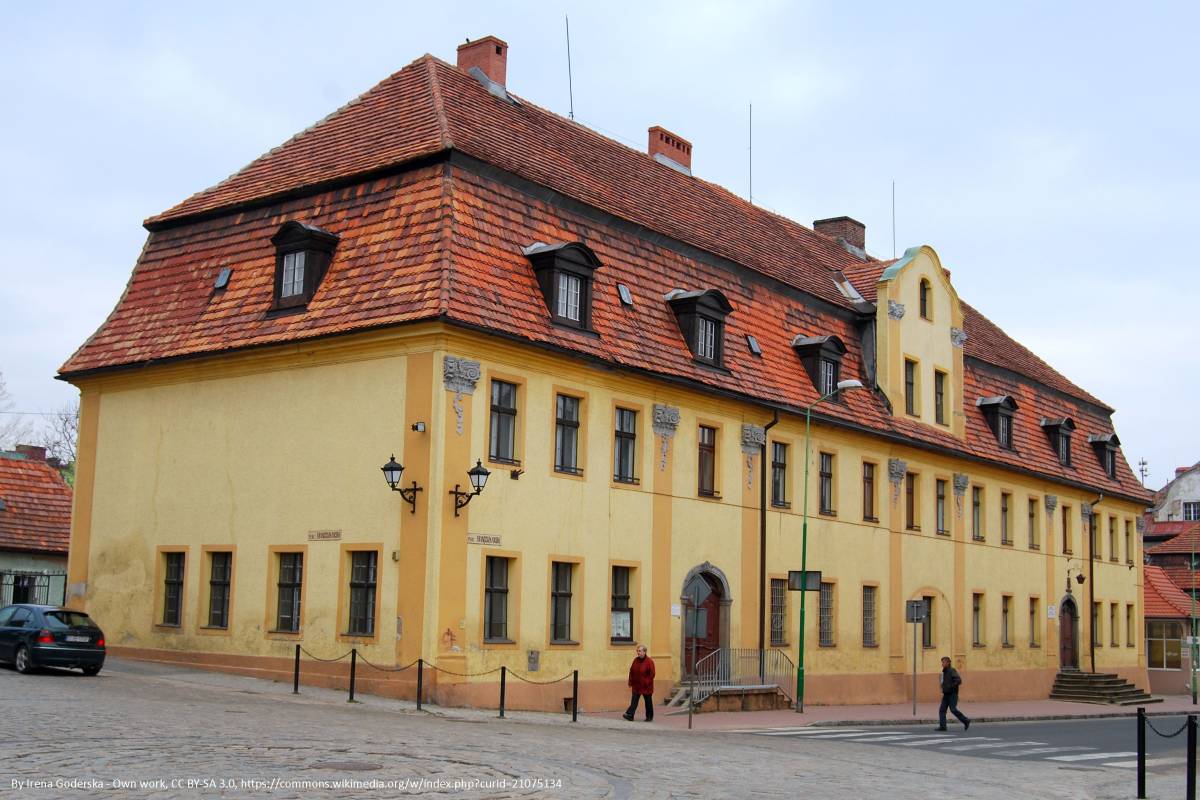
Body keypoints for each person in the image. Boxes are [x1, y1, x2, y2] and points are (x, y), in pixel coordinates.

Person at [936, 655, 970, 732]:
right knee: (942, 710)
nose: (942, 664)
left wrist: (950, 686)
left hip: (952, 694)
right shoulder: (945, 671)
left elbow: (958, 680)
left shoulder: (952, 670)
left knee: (953, 709)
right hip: (946, 694)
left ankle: (966, 720)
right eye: (942, 662)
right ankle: (943, 726)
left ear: (948, 663)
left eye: (943, 662)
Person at [623, 644, 656, 722]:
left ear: (644, 652)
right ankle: (630, 715)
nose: (638, 652)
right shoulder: (635, 660)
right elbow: (631, 671)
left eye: (640, 651)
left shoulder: (649, 662)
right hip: (636, 686)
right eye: (637, 651)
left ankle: (649, 717)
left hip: (646, 686)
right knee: (634, 701)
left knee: (648, 702)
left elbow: (652, 674)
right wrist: (630, 681)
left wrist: (646, 682)